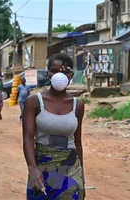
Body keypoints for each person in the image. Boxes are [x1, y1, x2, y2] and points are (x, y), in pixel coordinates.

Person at [23, 53, 85, 199]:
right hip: (42, 165)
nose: (59, 75)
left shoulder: (78, 105)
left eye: (64, 72)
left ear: (71, 75)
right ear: (48, 73)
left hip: (70, 166)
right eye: (54, 71)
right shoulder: (34, 102)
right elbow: (28, 138)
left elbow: (77, 142)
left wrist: (81, 174)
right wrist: (32, 169)